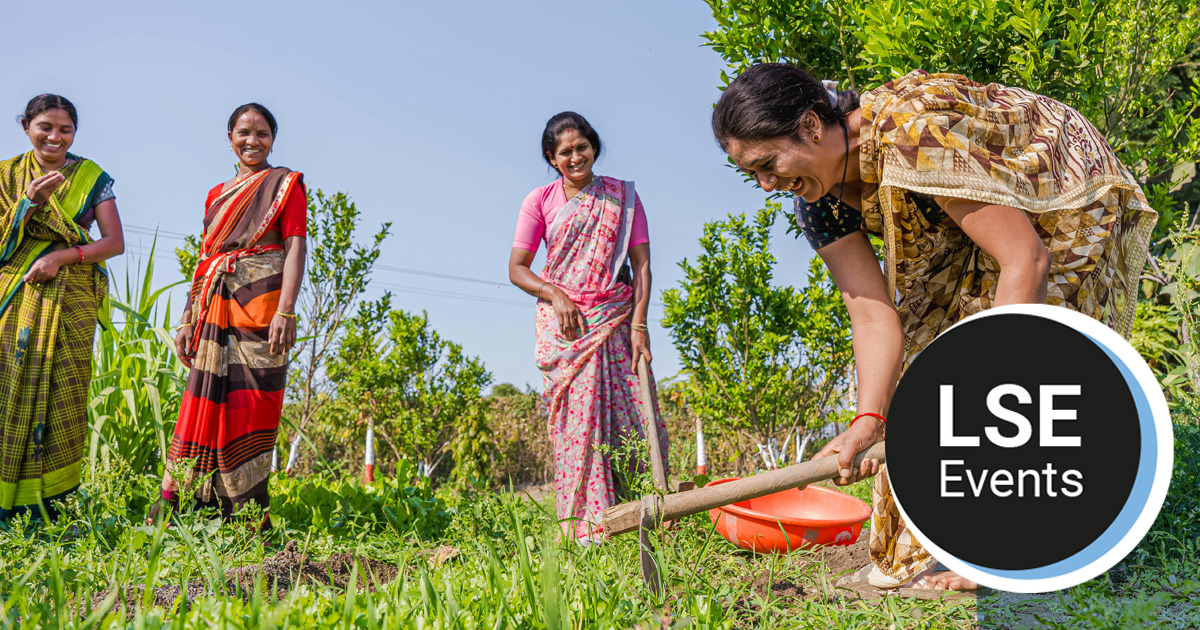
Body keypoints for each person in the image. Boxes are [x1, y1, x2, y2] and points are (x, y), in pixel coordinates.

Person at [711, 65, 1155, 590]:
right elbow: (875, 316)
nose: (766, 183)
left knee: (1005, 369)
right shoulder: (818, 205)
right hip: (962, 221)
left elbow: (1025, 259)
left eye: (768, 163)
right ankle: (936, 546)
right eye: (752, 174)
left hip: (1059, 189)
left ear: (811, 125)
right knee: (931, 363)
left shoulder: (909, 133)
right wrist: (868, 419)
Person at [507, 112, 668, 543]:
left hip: (617, 318)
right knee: (578, 430)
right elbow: (517, 269)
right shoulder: (538, 201)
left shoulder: (622, 197)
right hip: (568, 331)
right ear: (552, 158)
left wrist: (640, 325)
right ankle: (586, 529)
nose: (576, 157)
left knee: (634, 415)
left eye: (582, 147)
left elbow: (643, 265)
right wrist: (555, 294)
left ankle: (647, 514)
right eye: (565, 152)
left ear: (594, 146)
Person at [155, 103, 307, 527]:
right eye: (244, 132)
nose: (252, 141)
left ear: (273, 139)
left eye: (261, 133)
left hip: (263, 302)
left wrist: (286, 311)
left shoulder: (285, 184)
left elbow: (295, 246)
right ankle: (191, 505)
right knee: (205, 397)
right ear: (229, 138)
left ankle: (245, 510)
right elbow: (206, 258)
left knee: (254, 400)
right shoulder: (216, 195)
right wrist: (188, 318)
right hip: (213, 304)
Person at [0, 94, 125, 520]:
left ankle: (46, 506)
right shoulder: (6, 177)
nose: (55, 137)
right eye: (45, 127)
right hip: (13, 295)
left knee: (63, 388)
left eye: (65, 129)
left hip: (69, 295)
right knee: (7, 385)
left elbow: (113, 242)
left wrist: (59, 257)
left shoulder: (91, 177)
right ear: (25, 127)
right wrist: (28, 204)